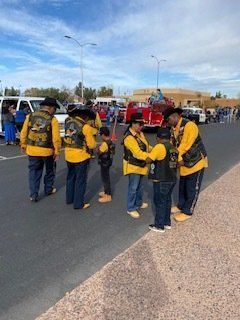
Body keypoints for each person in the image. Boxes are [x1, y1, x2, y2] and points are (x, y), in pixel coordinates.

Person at [163, 107, 208, 222]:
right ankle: (181, 206)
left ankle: (188, 211)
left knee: (192, 188)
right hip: (184, 163)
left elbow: (185, 145)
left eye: (167, 120)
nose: (167, 123)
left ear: (174, 116)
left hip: (196, 162)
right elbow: (173, 145)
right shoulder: (174, 128)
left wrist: (175, 157)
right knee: (182, 186)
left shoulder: (190, 126)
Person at [20, 97, 61, 202]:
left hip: (32, 149)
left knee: (34, 172)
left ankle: (33, 195)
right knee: (50, 171)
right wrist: (57, 151)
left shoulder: (30, 116)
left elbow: (24, 132)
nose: (55, 111)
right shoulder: (52, 119)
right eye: (55, 108)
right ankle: (48, 189)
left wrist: (23, 145)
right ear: (51, 108)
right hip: (47, 151)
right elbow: (56, 138)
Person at [64, 104, 96, 210]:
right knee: (80, 180)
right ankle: (78, 204)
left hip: (68, 154)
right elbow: (91, 145)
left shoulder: (68, 122)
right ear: (85, 116)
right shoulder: (85, 127)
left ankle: (69, 199)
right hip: (81, 156)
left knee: (70, 178)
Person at [146, 127, 178, 233]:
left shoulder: (160, 147)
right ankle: (166, 222)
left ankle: (159, 225)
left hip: (161, 179)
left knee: (160, 202)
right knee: (167, 201)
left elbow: (149, 159)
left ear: (158, 138)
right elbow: (181, 162)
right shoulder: (173, 148)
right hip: (172, 178)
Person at [122, 113, 150, 219]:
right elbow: (137, 153)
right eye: (140, 124)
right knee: (133, 188)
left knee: (140, 186)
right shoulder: (129, 138)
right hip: (133, 166)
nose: (142, 126)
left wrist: (156, 150)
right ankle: (131, 208)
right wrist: (151, 157)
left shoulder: (140, 133)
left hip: (141, 165)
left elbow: (146, 146)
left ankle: (138, 203)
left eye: (142, 124)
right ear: (133, 124)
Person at [97, 127, 115, 203]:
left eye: (101, 135)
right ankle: (105, 192)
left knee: (105, 179)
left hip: (104, 163)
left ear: (103, 135)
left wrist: (97, 148)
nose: (100, 136)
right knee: (106, 177)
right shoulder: (110, 141)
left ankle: (108, 195)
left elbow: (99, 152)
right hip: (108, 162)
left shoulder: (104, 144)